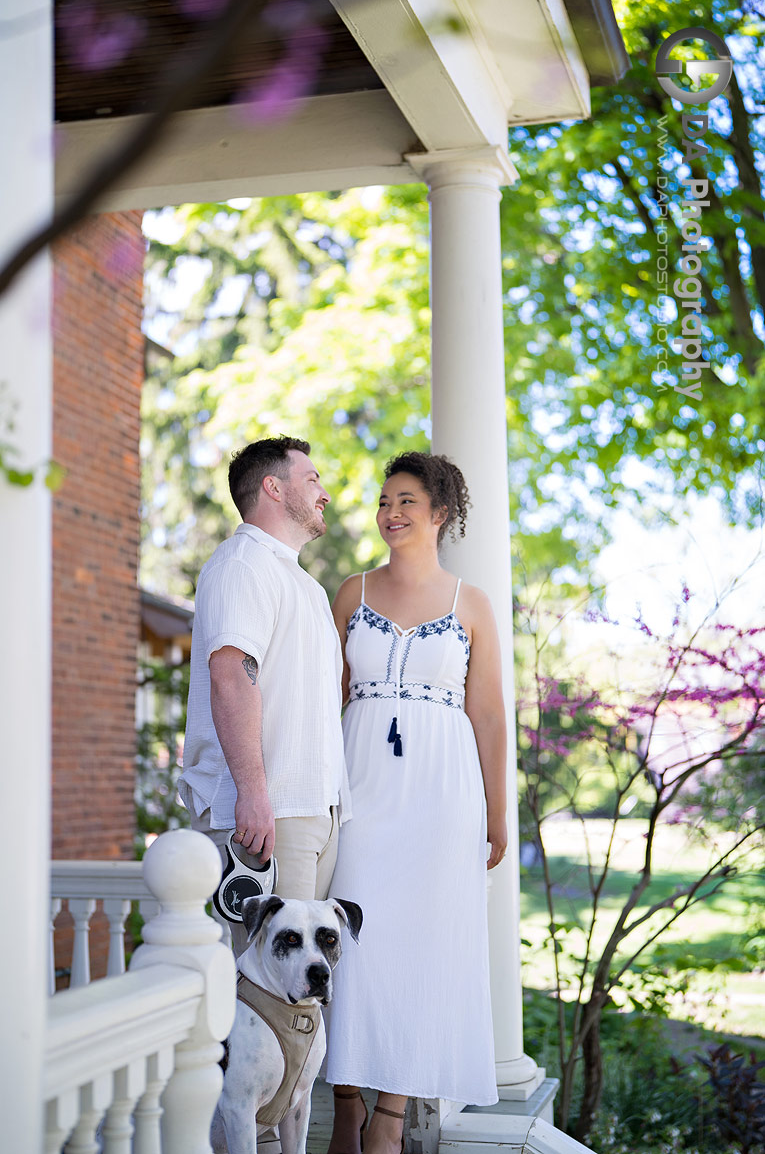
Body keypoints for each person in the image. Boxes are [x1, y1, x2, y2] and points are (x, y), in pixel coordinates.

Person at [324, 451, 506, 1154]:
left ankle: (388, 1116)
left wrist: (495, 813)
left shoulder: (472, 604)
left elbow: (486, 715)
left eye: (405, 501)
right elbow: (328, 699)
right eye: (382, 501)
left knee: (418, 947)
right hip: (361, 784)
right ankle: (344, 1100)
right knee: (353, 940)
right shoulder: (351, 592)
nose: (390, 514)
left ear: (439, 513)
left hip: (441, 794)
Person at [178, 436, 349, 957]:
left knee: (299, 987)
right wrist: (254, 795)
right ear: (273, 487)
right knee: (262, 987)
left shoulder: (305, 585)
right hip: (267, 814)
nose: (324, 492)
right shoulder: (242, 564)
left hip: (312, 811)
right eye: (312, 479)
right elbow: (231, 675)